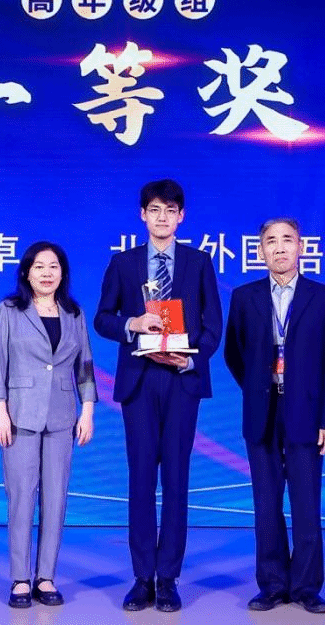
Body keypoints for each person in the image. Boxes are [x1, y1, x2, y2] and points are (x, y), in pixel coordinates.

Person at [94, 179, 222, 612]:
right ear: (142, 215)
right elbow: (102, 318)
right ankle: (141, 577)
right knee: (141, 480)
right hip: (140, 379)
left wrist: (189, 359)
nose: (162, 217)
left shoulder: (199, 262)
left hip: (181, 381)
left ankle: (168, 578)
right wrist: (132, 324)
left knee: (177, 480)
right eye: (154, 209)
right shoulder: (124, 263)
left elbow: (213, 326)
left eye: (170, 210)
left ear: (181, 216)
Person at [224, 218, 325, 614]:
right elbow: (234, 353)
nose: (279, 247)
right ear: (260, 250)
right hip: (261, 411)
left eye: (287, 240)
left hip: (306, 413)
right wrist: (258, 387)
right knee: (266, 503)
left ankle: (307, 587)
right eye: (271, 241)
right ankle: (273, 585)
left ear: (301, 247)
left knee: (306, 503)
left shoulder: (323, 298)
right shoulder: (244, 297)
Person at [0, 241, 97, 609]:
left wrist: (88, 410)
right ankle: (20, 578)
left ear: (63, 273)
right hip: (20, 416)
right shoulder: (9, 310)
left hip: (63, 416)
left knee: (56, 497)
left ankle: (45, 577)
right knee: (21, 497)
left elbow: (85, 365)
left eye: (54, 267)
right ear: (26, 272)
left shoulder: (74, 313)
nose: (47, 273)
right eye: (39, 267)